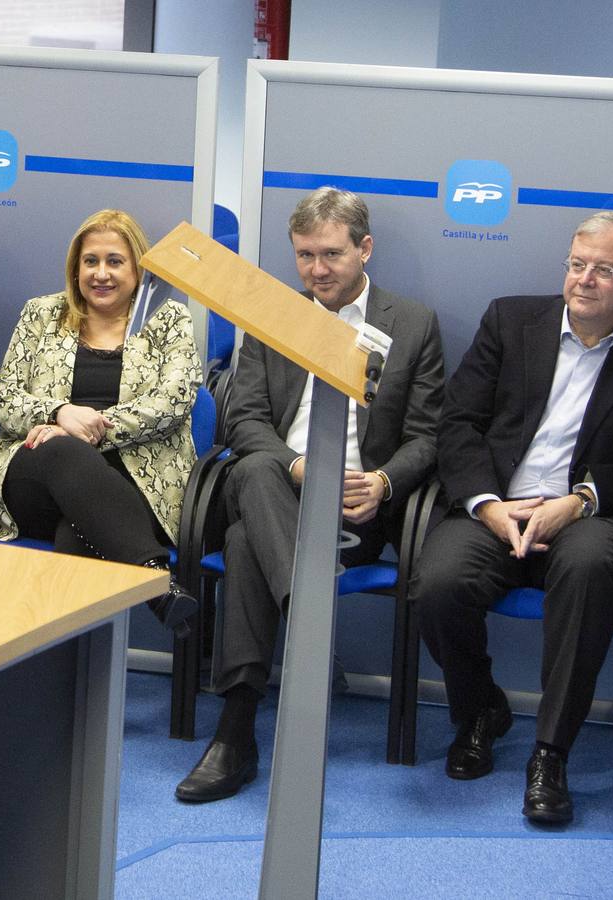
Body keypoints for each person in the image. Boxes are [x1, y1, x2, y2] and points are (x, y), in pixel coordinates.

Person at [413, 211, 613, 825]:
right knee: (437, 583)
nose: (584, 279)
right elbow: (457, 423)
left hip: (583, 515)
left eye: (604, 270)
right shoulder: (509, 321)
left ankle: (551, 751)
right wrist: (486, 505)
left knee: (591, 571)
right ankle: (479, 710)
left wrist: (580, 502)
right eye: (577, 264)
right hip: (495, 506)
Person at [176, 186, 446, 803]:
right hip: (281, 482)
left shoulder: (412, 324)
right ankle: (307, 613)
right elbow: (244, 419)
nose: (317, 270)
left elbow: (427, 437)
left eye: (331, 254)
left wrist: (382, 483)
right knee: (256, 472)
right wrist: (299, 467)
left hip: (355, 509)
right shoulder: (275, 315)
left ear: (364, 249)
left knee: (245, 542)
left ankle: (234, 733)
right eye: (304, 256)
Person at [0, 209, 202, 622]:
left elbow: (173, 401)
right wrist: (59, 413)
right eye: (91, 261)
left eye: (115, 261)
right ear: (76, 267)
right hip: (39, 472)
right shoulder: (41, 314)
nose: (101, 274)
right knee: (64, 453)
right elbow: (3, 398)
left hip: (137, 476)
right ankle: (153, 576)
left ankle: (55, 659)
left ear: (138, 268)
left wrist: (91, 430)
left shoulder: (169, 319)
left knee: (78, 534)